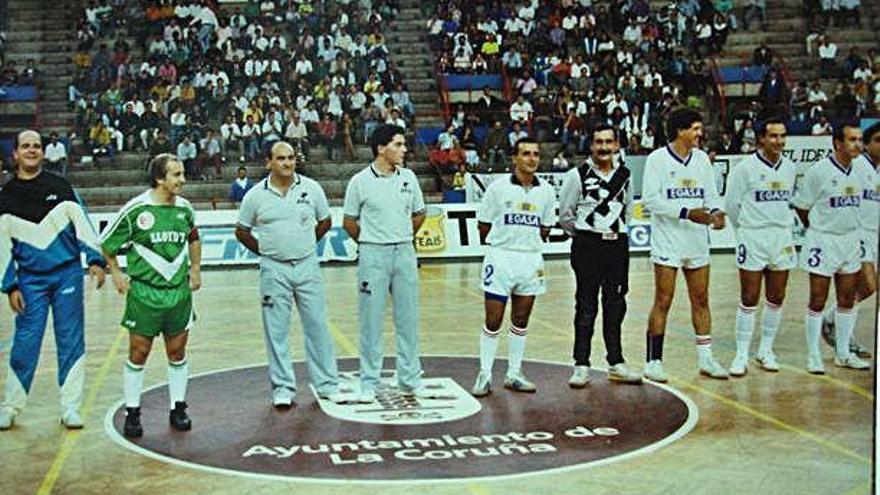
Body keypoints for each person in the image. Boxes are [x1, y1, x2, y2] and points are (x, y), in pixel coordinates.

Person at [0, 130, 106, 430]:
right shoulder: (5, 198)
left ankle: (70, 408)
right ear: (15, 154)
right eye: (26, 146)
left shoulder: (60, 186)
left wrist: (95, 260)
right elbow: (1, 247)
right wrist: (11, 285)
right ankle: (10, 406)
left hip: (67, 275)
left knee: (71, 340)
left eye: (37, 146)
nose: (32, 150)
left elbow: (82, 224)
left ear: (44, 153)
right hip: (29, 282)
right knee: (25, 342)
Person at [100, 153, 202, 438]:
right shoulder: (136, 210)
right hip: (144, 293)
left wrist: (195, 269)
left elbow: (194, 239)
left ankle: (178, 407)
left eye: (182, 174)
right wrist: (117, 274)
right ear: (160, 178)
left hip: (178, 293)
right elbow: (107, 244)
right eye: (176, 175)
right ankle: (133, 412)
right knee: (139, 353)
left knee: (177, 352)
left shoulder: (185, 209)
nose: (183, 180)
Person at [234, 142, 342, 407]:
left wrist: (305, 244)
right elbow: (242, 230)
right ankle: (283, 388)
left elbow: (325, 221)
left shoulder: (312, 188)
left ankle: (327, 384)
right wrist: (267, 252)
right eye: (281, 158)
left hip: (307, 265)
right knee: (276, 330)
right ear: (268, 162)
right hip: (274, 269)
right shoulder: (255, 195)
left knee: (317, 325)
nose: (287, 163)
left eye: (291, 158)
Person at [640, 108, 729, 382]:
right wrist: (687, 212)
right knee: (663, 300)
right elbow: (650, 201)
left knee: (701, 300)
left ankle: (706, 359)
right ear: (680, 131)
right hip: (668, 241)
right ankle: (653, 361)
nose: (700, 134)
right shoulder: (657, 159)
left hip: (697, 241)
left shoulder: (702, 160)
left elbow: (711, 194)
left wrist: (717, 213)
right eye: (695, 129)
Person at [342, 124, 427, 403]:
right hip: (372, 255)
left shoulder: (409, 178)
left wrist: (401, 237)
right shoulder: (359, 181)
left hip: (404, 252)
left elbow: (419, 214)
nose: (404, 150)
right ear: (381, 148)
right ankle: (369, 381)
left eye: (404, 145)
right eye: (398, 145)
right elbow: (349, 222)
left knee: (408, 318)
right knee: (371, 320)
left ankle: (410, 379)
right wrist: (371, 241)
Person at [470, 137, 557, 397]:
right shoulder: (498, 188)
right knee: (493, 319)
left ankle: (514, 373)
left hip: (531, 259)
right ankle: (485, 374)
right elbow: (483, 225)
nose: (532, 159)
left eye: (535, 154)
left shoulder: (547, 191)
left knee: (521, 319)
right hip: (501, 258)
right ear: (515, 158)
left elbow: (546, 227)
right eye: (526, 154)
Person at [558, 124, 643, 387]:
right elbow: (566, 215)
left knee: (615, 305)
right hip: (587, 246)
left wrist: (612, 231)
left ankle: (615, 362)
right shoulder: (577, 175)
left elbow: (628, 210)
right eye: (598, 142)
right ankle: (581, 364)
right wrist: (587, 235)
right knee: (586, 305)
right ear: (591, 145)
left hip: (616, 246)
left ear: (616, 145)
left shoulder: (626, 174)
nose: (604, 147)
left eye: (609, 142)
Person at [792, 121, 870, 373]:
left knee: (847, 298)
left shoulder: (862, 170)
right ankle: (813, 356)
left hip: (850, 240)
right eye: (852, 139)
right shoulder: (819, 171)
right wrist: (815, 229)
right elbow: (802, 207)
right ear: (837, 142)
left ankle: (843, 353)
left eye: (859, 139)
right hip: (823, 240)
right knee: (817, 299)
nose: (857, 144)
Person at [724, 117, 797, 376]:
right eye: (774, 136)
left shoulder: (789, 168)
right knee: (749, 297)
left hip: (781, 237)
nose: (779, 141)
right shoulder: (745, 168)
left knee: (776, 296)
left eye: (782, 136)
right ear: (761, 139)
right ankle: (741, 354)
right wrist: (745, 230)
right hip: (753, 236)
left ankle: (766, 350)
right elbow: (732, 206)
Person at [821, 122, 880, 358]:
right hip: (856, 233)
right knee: (868, 284)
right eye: (877, 140)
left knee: (865, 289)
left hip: (874, 233)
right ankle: (839, 334)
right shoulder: (856, 166)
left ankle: (832, 321)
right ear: (866, 144)